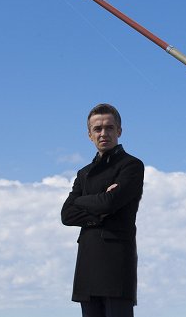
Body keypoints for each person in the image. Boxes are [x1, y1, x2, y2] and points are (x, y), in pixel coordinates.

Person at [61, 103, 144, 317]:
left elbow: (110, 203)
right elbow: (67, 214)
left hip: (116, 261)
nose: (103, 133)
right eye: (97, 129)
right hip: (87, 261)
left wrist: (83, 201)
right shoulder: (83, 173)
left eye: (109, 127)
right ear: (89, 135)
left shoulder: (131, 166)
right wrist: (101, 203)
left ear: (119, 131)